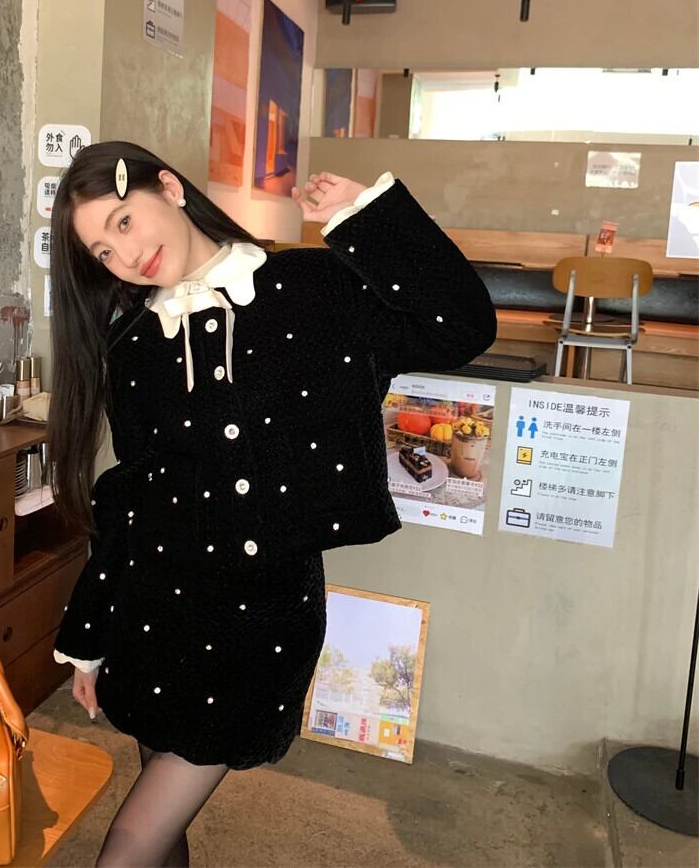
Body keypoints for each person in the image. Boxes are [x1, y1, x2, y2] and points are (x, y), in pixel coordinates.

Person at [47, 141, 496, 866]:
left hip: (258, 619)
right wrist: (90, 638)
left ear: (170, 188)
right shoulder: (135, 346)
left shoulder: (311, 286)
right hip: (152, 616)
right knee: (159, 828)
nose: (125, 256)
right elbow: (131, 501)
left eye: (124, 222)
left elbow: (461, 326)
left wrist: (363, 215)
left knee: (128, 846)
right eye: (103, 251)